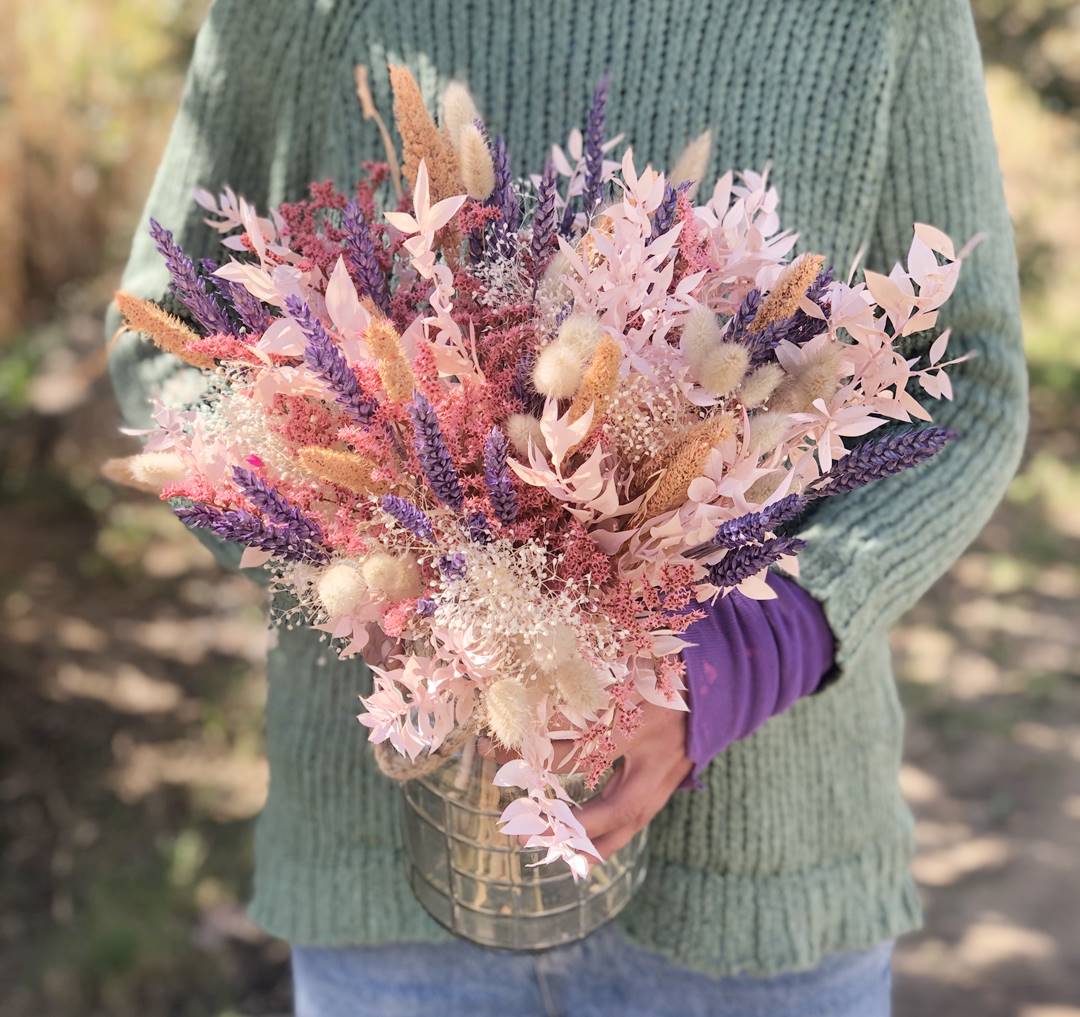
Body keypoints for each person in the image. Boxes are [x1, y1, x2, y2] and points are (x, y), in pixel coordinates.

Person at [107, 1, 1027, 1014]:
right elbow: (170, 334)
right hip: (391, 901)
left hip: (761, 904)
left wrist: (748, 652)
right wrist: (366, 567)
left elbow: (969, 392)